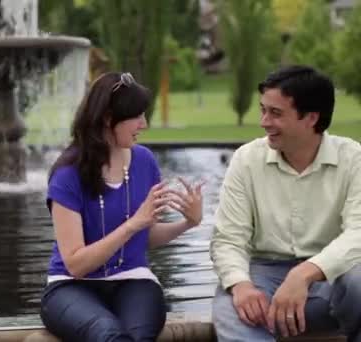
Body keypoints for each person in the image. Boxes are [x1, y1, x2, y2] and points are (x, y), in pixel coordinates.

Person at [39, 72, 205, 342]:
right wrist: (133, 224)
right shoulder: (67, 174)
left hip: (134, 281)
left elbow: (145, 236)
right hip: (70, 287)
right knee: (107, 333)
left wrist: (189, 223)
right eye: (137, 116)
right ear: (107, 118)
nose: (144, 124)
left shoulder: (144, 161)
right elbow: (76, 264)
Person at [210, 65, 361, 341]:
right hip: (264, 277)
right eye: (263, 110)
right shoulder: (246, 160)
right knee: (232, 308)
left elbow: (358, 234)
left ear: (311, 118)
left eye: (275, 113)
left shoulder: (353, 159)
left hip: (332, 279)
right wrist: (240, 284)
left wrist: (304, 274)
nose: (264, 121)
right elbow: (228, 238)